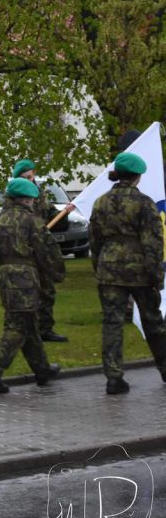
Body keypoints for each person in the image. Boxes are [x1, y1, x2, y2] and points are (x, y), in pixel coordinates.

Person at [0, 178, 62, 393]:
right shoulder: (32, 221)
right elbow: (46, 251)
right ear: (28, 199)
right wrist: (55, 274)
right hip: (26, 277)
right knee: (17, 327)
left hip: (6, 277)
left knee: (28, 323)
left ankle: (42, 369)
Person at [89, 151, 166, 395]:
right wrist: (157, 276)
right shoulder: (144, 203)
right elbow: (153, 243)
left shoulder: (100, 202)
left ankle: (113, 378)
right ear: (137, 176)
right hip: (139, 270)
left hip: (109, 268)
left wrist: (99, 267)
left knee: (112, 324)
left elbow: (94, 241)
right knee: (153, 322)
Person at [11, 159, 68, 342]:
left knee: (47, 290)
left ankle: (45, 329)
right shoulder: (13, 197)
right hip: (25, 251)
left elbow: (49, 211)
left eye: (31, 176)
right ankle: (26, 330)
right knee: (27, 293)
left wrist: (61, 214)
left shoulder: (39, 194)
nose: (29, 180)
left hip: (43, 249)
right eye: (25, 177)